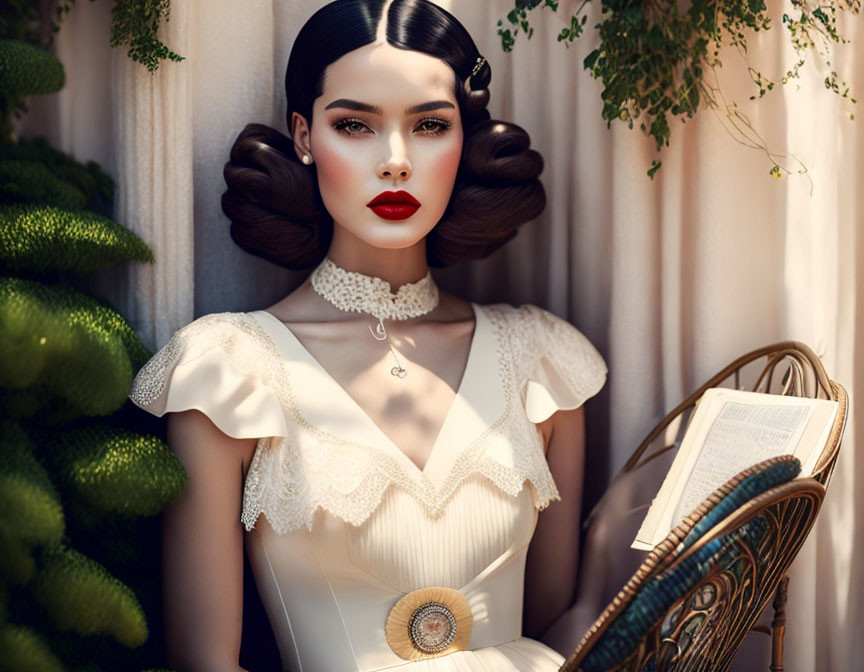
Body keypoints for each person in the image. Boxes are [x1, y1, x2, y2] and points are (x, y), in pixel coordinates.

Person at [128, 0, 607, 670]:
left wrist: (619, 548)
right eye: (354, 124)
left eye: (430, 125)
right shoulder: (228, 372)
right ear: (303, 133)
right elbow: (205, 660)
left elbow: (557, 631)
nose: (395, 161)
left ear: (464, 138)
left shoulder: (543, 362)